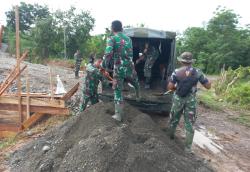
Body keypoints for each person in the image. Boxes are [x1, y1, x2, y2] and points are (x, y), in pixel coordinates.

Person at [167, 52, 211, 153]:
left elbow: (169, 87)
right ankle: (187, 148)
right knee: (189, 124)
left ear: (181, 61)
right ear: (191, 61)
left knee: (174, 119)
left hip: (178, 99)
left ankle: (169, 140)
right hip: (191, 100)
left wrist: (176, 88)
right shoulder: (198, 72)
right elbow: (208, 86)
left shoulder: (176, 72)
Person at [102, 20, 140, 121]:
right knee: (135, 81)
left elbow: (108, 54)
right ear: (121, 28)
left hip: (119, 68)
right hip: (130, 66)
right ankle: (138, 94)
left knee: (118, 90)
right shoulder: (129, 39)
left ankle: (118, 115)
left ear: (112, 28)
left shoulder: (112, 38)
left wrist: (104, 66)